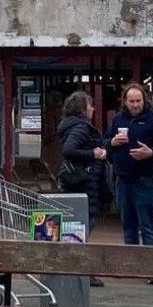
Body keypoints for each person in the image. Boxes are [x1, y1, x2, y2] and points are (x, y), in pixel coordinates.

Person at [104, 82, 153, 248]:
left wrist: (151, 152)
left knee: (148, 225)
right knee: (128, 226)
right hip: (123, 180)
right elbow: (104, 142)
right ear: (125, 101)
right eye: (131, 101)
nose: (135, 104)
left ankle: (150, 267)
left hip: (145, 180)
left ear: (144, 100)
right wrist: (112, 142)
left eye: (138, 100)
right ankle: (131, 265)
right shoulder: (118, 118)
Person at [55, 91, 105, 234]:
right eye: (90, 105)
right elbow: (68, 150)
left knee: (76, 220)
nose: (92, 109)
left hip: (76, 178)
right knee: (87, 219)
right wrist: (93, 153)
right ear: (82, 108)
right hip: (84, 180)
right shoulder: (81, 127)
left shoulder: (70, 125)